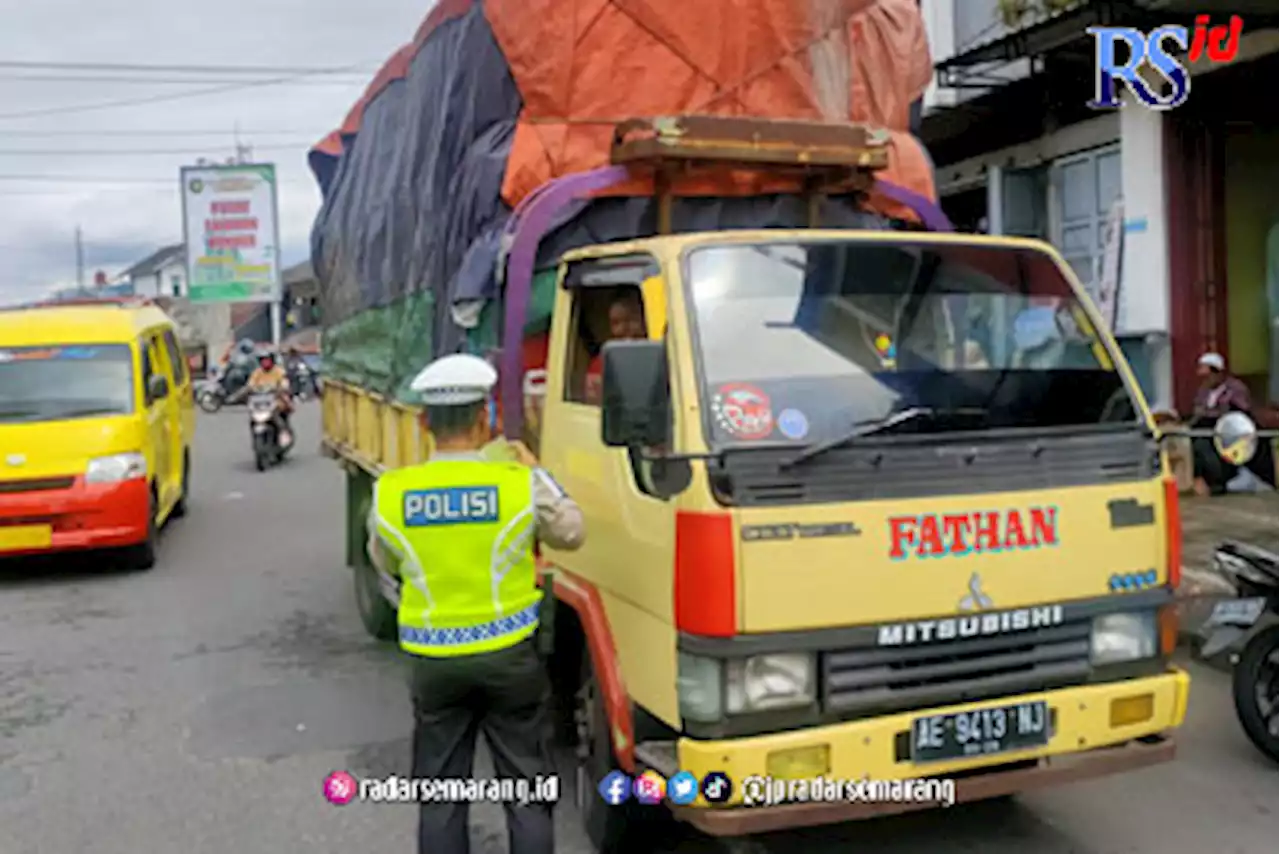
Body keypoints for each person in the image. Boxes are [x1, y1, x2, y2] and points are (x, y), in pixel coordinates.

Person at [366, 353, 585, 854]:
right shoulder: (517, 485)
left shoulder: (391, 493)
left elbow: (386, 561)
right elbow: (572, 532)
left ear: (424, 422)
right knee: (527, 792)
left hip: (434, 664)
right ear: (485, 418)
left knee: (442, 796)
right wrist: (539, 470)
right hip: (510, 658)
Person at [1190, 351, 1256, 495]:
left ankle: (1220, 481)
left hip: (1229, 435)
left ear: (1217, 373)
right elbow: (1198, 412)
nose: (1205, 380)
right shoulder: (1203, 391)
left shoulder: (1235, 389)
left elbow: (1241, 414)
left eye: (1208, 375)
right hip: (1206, 432)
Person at [583, 290, 647, 403]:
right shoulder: (601, 364)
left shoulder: (661, 356)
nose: (624, 328)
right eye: (616, 323)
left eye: (630, 319)